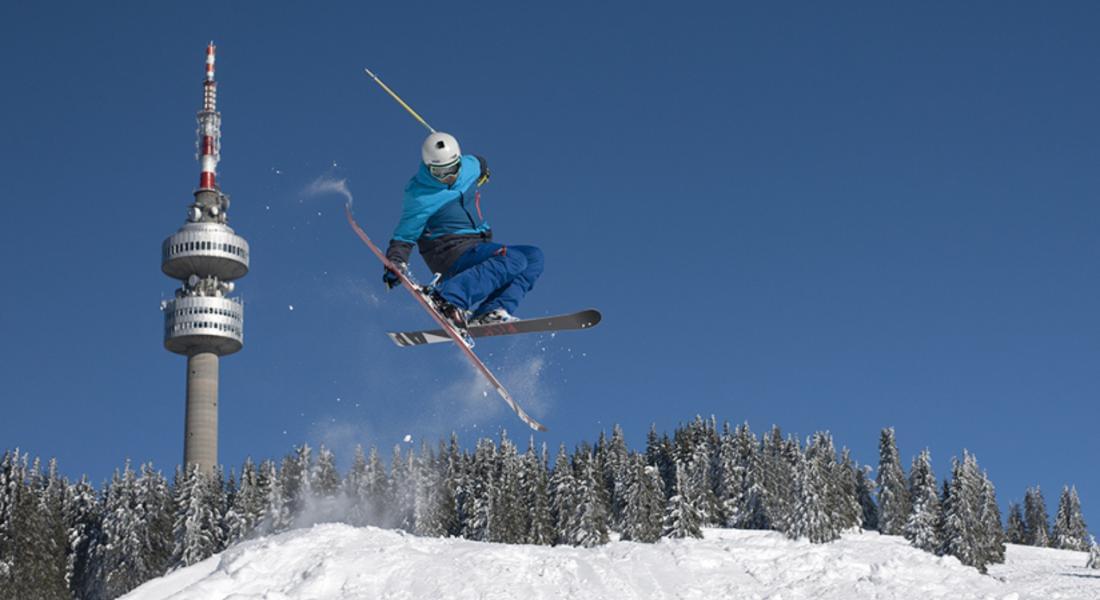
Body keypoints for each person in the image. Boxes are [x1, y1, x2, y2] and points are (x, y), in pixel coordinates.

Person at [383, 132, 543, 329]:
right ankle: (447, 299)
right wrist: (396, 262)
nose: (447, 177)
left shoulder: (469, 167)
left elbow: (479, 162)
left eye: (452, 169)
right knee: (514, 259)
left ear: (459, 161)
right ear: (428, 167)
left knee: (534, 257)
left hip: (476, 245)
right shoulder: (419, 195)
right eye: (439, 172)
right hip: (449, 253)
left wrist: (484, 170)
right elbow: (404, 236)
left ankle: (492, 311)